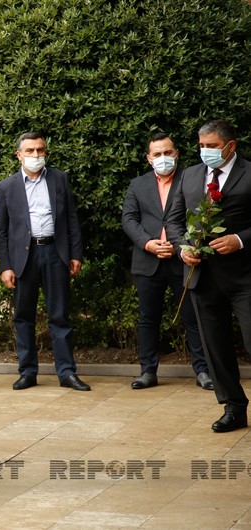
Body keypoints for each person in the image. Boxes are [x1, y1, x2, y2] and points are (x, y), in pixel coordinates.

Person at [166, 119, 251, 433]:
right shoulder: (189, 175)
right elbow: (174, 221)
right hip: (202, 276)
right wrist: (182, 248)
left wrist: (240, 239)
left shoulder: (249, 173)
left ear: (230, 146)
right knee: (215, 347)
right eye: (202, 146)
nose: (205, 152)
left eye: (212, 146)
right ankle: (233, 407)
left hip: (245, 276)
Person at [0, 132, 90, 391]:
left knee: (59, 315)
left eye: (40, 150)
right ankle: (27, 372)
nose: (36, 156)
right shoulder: (6, 187)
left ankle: (66, 372)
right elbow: (1, 231)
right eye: (30, 151)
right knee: (23, 316)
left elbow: (71, 218)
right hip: (24, 258)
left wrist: (75, 254)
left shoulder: (59, 179)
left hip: (54, 253)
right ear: (19, 155)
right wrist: (5, 266)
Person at [121, 132, 211, 390]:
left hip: (182, 261)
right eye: (157, 154)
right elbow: (129, 219)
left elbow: (202, 215)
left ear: (177, 153)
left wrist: (182, 246)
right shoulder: (138, 184)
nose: (163, 158)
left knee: (193, 317)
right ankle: (148, 372)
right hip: (147, 262)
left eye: (167, 152)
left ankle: (203, 371)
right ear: (149, 159)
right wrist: (147, 243)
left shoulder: (193, 179)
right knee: (148, 319)